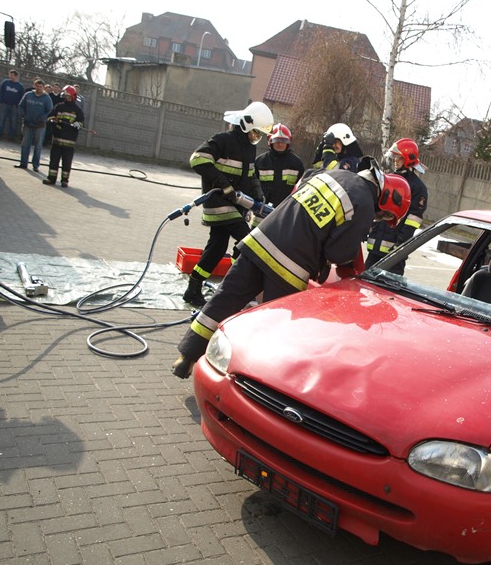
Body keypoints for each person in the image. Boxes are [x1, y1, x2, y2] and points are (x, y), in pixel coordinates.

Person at [171, 157, 412, 378]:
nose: (378, 219)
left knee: (224, 300)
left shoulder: (335, 174)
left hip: (258, 243)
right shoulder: (364, 203)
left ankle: (187, 356)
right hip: (289, 267)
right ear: (387, 198)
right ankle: (253, 378)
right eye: (384, 216)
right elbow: (338, 253)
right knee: (275, 329)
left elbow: (303, 183)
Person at [182, 101, 274, 307]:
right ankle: (232, 286)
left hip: (235, 204)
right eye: (255, 132)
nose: (256, 137)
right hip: (218, 203)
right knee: (247, 240)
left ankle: (193, 287)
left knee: (217, 247)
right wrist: (224, 185)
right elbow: (197, 159)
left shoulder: (249, 149)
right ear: (246, 125)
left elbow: (250, 175)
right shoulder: (223, 140)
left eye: (259, 134)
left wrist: (258, 195)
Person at [364, 138, 429, 274]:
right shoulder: (388, 179)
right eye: (394, 157)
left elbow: (413, 221)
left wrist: (399, 248)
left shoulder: (418, 188)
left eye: (399, 158)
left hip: (393, 257)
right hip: (374, 249)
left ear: (408, 159)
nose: (395, 160)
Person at [252, 123, 305, 227]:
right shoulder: (260, 162)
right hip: (261, 214)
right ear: (270, 141)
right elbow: (252, 185)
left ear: (289, 142)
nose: (280, 144)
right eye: (276, 140)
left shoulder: (297, 164)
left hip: (286, 215)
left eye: (284, 141)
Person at [42, 85, 85, 188]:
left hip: (69, 142)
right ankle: (51, 178)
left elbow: (82, 122)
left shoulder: (77, 110)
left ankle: (64, 180)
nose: (67, 97)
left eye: (68, 96)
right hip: (57, 139)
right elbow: (50, 117)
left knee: (67, 162)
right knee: (54, 160)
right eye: (65, 95)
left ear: (72, 96)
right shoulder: (59, 106)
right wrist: (52, 120)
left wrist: (78, 124)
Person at [15, 78, 53, 171]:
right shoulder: (28, 95)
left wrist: (42, 118)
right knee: (25, 144)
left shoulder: (47, 98)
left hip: (40, 125)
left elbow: (49, 110)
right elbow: (21, 105)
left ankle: (35, 165)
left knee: (38, 146)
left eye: (40, 86)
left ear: (43, 87)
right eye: (37, 86)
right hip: (27, 123)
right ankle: (23, 163)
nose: (38, 88)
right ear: (34, 86)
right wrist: (23, 116)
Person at [0, 70, 25, 141]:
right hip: (5, 104)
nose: (10, 77)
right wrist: (1, 101)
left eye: (12, 75)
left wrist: (18, 104)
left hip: (14, 106)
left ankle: (11, 136)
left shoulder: (20, 86)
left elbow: (22, 96)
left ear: (16, 76)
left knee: (13, 121)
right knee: (2, 119)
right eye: (10, 75)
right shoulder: (5, 83)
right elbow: (1, 92)